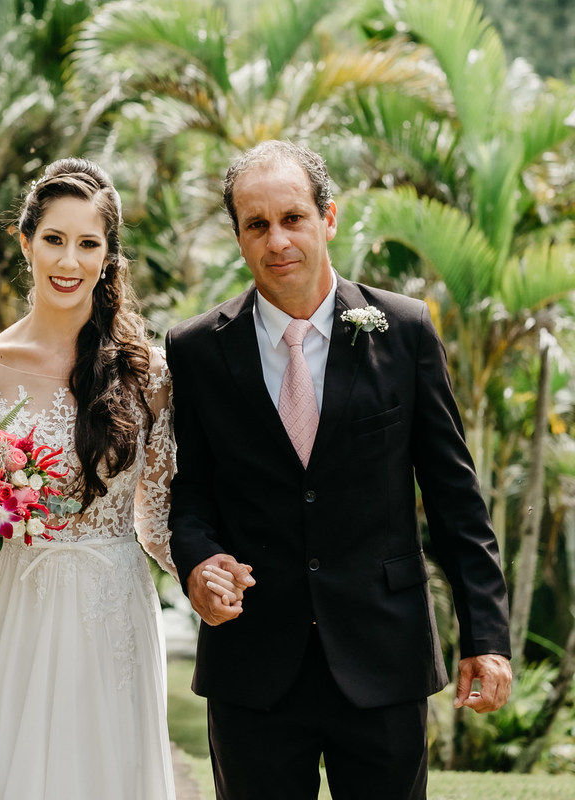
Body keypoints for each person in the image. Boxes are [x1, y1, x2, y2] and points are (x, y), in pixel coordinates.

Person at [165, 140, 512, 798]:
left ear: (328, 218)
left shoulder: (404, 331)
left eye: (293, 218)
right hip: (253, 667)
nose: (277, 242)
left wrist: (486, 638)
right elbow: (188, 499)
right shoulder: (195, 350)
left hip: (385, 657)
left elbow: (455, 501)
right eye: (257, 224)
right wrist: (198, 563)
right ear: (238, 235)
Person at [0, 158, 178, 799]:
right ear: (26, 241)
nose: (70, 260)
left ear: (109, 256)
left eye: (89, 244)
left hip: (115, 610)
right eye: (55, 240)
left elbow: (163, 520)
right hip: (17, 612)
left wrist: (212, 572)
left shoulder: (149, 374)